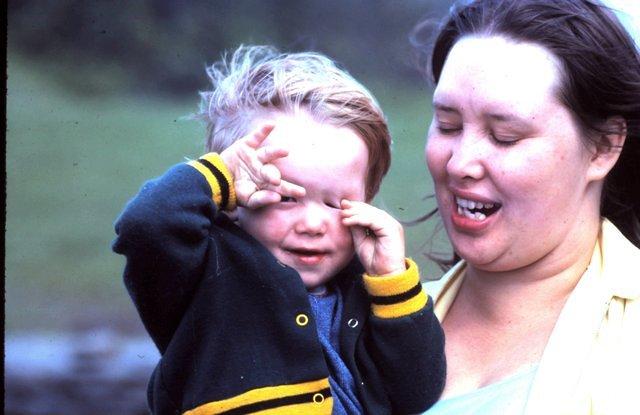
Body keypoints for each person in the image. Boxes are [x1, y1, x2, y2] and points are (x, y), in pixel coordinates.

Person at [113, 45, 445, 415]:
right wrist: (218, 175)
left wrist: (392, 282)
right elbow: (145, 225)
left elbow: (418, 393)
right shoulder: (204, 274)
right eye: (286, 197)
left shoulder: (365, 290)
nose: (313, 225)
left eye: (337, 204)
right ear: (235, 195)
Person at [414, 0, 640, 413]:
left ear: (604, 147)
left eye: (505, 136)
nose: (460, 163)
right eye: (447, 124)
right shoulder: (360, 319)